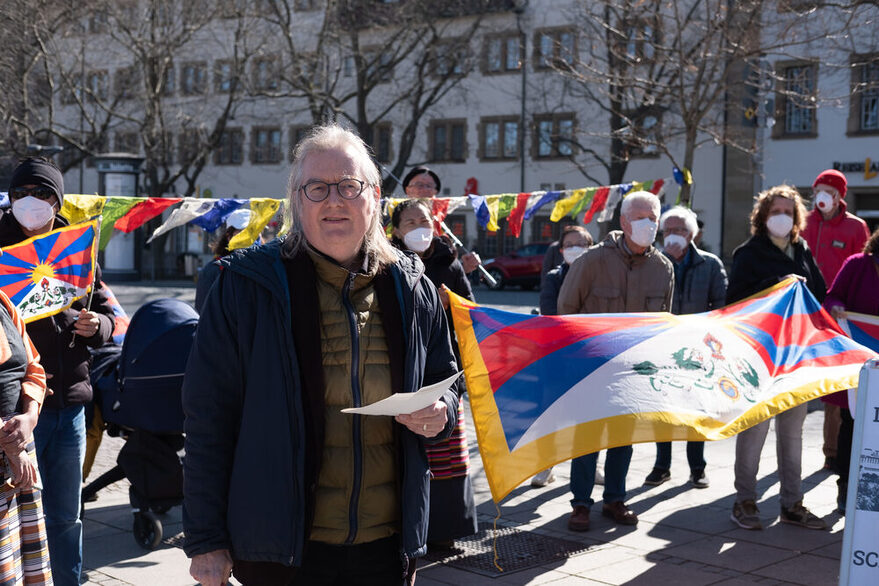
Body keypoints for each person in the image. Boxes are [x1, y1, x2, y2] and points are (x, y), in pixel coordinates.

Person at [184, 124, 461, 586]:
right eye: (317, 187)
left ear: (374, 197)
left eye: (349, 186)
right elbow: (207, 418)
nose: (334, 200)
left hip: (385, 545)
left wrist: (441, 411)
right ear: (296, 200)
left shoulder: (413, 288)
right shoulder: (244, 287)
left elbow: (446, 379)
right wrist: (206, 539)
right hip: (281, 547)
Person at [0, 157, 116, 586]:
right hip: (13, 413)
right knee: (13, 517)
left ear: (58, 201)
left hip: (70, 405)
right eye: (21, 193)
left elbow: (108, 314)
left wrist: (96, 326)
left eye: (43, 193)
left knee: (66, 516)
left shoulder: (77, 249)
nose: (31, 202)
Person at [557, 191, 673, 531]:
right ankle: (580, 503)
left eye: (653, 218)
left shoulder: (663, 267)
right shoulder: (592, 261)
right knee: (587, 438)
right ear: (623, 222)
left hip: (634, 369)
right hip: (591, 366)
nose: (648, 225)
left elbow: (664, 320)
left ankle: (615, 499)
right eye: (641, 218)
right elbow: (566, 310)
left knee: (624, 437)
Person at [727, 184, 827, 531]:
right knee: (754, 431)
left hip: (797, 356)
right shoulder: (748, 253)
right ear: (763, 217)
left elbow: (820, 293)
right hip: (761, 357)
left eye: (788, 211)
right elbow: (735, 302)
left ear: (797, 217)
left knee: (792, 434)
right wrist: (777, 283)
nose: (782, 217)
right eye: (775, 211)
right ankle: (745, 501)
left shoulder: (802, 249)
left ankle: (792, 503)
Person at [390, 198, 477, 548]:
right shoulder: (387, 265)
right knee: (408, 452)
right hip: (405, 371)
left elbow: (472, 312)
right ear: (396, 231)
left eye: (424, 220)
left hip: (445, 371)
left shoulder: (449, 264)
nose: (419, 228)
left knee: (448, 455)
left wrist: (450, 304)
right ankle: (408, 529)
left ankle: (446, 531)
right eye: (410, 222)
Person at [643, 207, 727, 490]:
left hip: (697, 351)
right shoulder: (651, 263)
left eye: (679, 230)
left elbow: (722, 307)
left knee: (696, 411)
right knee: (662, 410)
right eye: (668, 230)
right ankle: (662, 466)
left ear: (691, 234)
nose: (672, 236)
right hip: (661, 348)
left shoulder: (710, 264)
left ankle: (697, 468)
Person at [801, 169, 870, 474]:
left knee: (835, 386)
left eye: (829, 190)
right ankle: (789, 447)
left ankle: (832, 452)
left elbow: (863, 269)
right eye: (818, 189)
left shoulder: (856, 227)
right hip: (802, 314)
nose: (822, 196)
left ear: (841, 195)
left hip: (836, 318)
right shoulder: (802, 222)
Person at [529, 225, 594, 489]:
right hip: (558, 355)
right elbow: (549, 311)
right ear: (561, 249)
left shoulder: (597, 276)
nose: (575, 249)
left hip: (590, 356)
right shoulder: (554, 277)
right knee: (551, 414)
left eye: (582, 244)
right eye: (569, 244)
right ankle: (546, 466)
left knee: (589, 415)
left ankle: (591, 465)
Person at [822, 227, 879, 514]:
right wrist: (838, 308)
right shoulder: (857, 264)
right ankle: (845, 487)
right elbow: (832, 297)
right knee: (852, 424)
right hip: (858, 366)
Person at [0, 286, 53, 584]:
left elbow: (33, 366)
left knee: (25, 564)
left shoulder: (3, 300)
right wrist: (12, 448)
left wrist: (31, 416)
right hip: (12, 448)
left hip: (19, 443)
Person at [401, 166, 480, 276]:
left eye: (429, 186)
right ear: (407, 190)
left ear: (435, 192)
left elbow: (449, 274)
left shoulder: (440, 226)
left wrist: (464, 268)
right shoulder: (395, 223)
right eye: (419, 185)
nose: (425, 190)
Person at [194, 208, 251, 312]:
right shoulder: (213, 271)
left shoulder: (265, 267)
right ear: (229, 236)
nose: (250, 238)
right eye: (243, 232)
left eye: (254, 232)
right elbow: (203, 313)